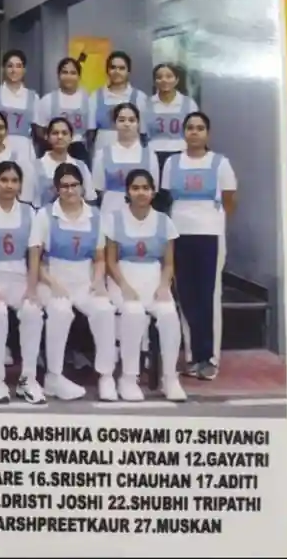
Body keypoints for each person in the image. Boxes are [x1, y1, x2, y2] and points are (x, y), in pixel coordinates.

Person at [29, 163, 117, 401]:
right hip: (52, 278)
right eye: (64, 186)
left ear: (82, 187)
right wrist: (50, 282)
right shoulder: (45, 215)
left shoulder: (96, 216)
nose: (70, 190)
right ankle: (53, 377)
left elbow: (100, 258)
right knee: (60, 311)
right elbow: (35, 257)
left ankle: (106, 376)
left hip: (84, 279)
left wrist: (98, 281)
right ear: (57, 189)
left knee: (104, 310)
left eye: (74, 185)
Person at [161, 112, 237, 380]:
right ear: (184, 133)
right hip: (180, 233)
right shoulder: (172, 163)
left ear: (208, 133)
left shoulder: (220, 163)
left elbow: (229, 200)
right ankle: (193, 356)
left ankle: (210, 358)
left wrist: (213, 222)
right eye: (190, 128)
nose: (194, 132)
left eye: (200, 128)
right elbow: (167, 197)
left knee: (208, 295)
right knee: (186, 295)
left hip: (210, 234)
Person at [104, 169, 186, 402]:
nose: (141, 192)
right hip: (123, 277)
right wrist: (124, 286)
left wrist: (163, 286)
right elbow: (110, 261)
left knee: (169, 315)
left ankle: (170, 378)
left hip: (153, 277)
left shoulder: (164, 221)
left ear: (153, 192)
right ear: (128, 191)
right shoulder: (115, 219)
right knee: (133, 312)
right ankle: (129, 378)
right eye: (135, 188)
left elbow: (168, 263)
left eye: (145, 188)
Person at [0, 162, 44, 403]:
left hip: (20, 277)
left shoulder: (29, 212)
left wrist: (32, 289)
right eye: (4, 180)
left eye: (14, 181)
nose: (9, 185)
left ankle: (28, 379)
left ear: (20, 185)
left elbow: (34, 255)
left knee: (33, 312)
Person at [92, 102, 159, 216]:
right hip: (110, 212)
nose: (127, 124)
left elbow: (154, 189)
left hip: (141, 214)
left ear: (138, 123)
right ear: (114, 123)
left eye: (131, 120)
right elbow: (98, 188)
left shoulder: (150, 155)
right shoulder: (102, 154)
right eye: (122, 120)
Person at [0, 49, 42, 155]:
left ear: (24, 70)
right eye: (10, 66)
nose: (14, 70)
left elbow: (38, 130)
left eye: (18, 66)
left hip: (24, 150)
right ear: (3, 69)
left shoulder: (33, 97)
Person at [35, 57, 94, 164]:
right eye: (65, 72)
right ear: (58, 75)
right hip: (53, 149)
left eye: (73, 73)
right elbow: (39, 129)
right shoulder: (47, 100)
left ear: (79, 76)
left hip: (78, 150)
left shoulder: (88, 101)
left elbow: (91, 132)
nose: (68, 76)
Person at [89, 51, 148, 153]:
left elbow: (143, 132)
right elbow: (91, 132)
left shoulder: (140, 97)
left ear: (128, 71)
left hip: (132, 151)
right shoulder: (95, 96)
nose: (117, 71)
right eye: (113, 67)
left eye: (122, 68)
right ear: (107, 70)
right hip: (102, 150)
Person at [148, 63, 200, 173]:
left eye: (169, 76)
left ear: (176, 80)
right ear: (154, 81)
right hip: (153, 154)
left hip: (181, 153)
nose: (164, 80)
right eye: (159, 77)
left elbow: (195, 131)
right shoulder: (146, 104)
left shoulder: (189, 104)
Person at [34, 117, 96, 208]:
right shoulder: (35, 166)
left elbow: (90, 198)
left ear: (71, 137)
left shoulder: (81, 167)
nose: (60, 137)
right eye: (55, 133)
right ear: (47, 136)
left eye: (64, 133)